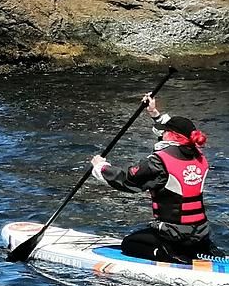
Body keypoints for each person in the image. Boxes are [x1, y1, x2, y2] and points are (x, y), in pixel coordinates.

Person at [92, 95, 215, 263]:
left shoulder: (159, 162)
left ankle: (169, 255)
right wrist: (154, 113)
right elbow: (173, 141)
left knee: (129, 243)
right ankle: (202, 248)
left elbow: (128, 181)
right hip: (200, 232)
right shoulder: (199, 157)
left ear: (171, 136)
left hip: (174, 235)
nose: (161, 133)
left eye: (165, 131)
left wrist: (101, 167)